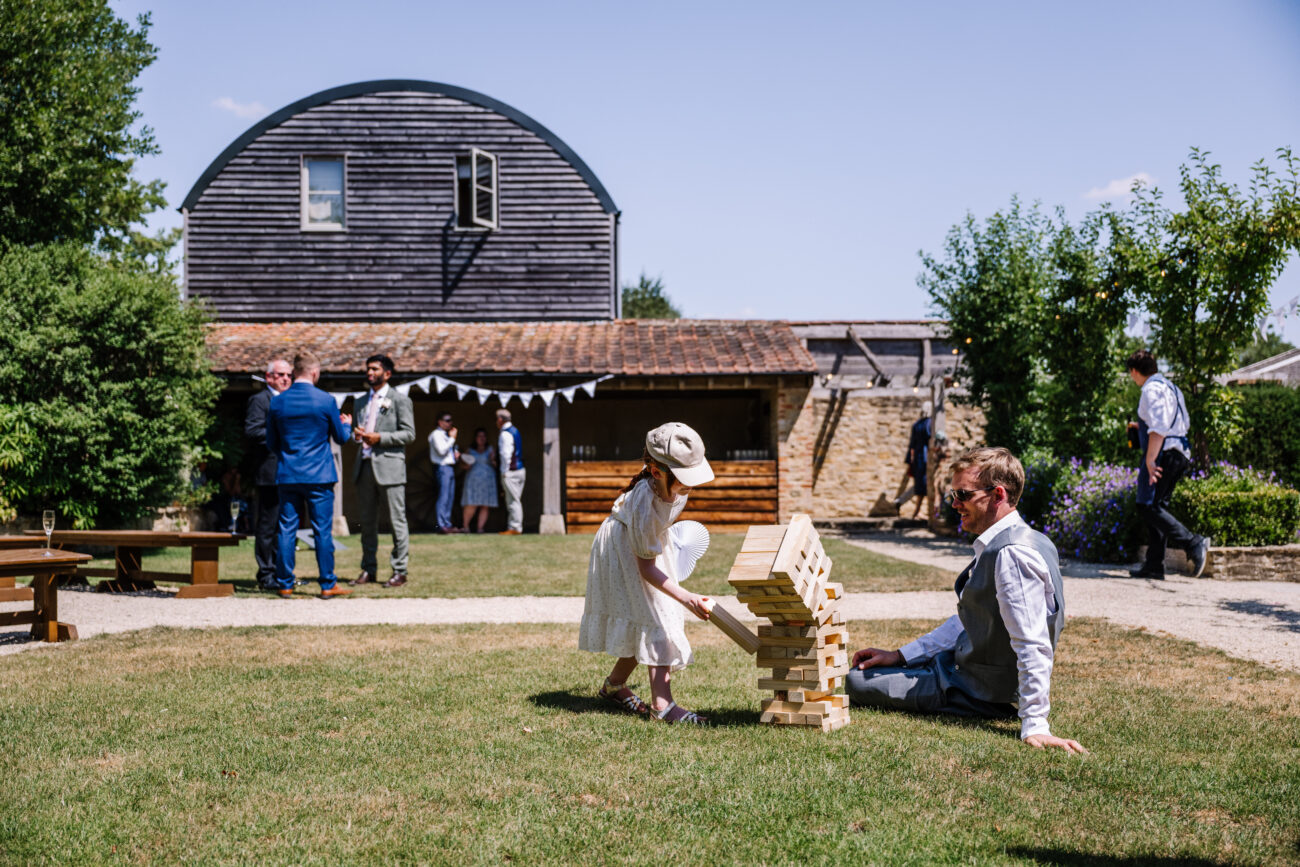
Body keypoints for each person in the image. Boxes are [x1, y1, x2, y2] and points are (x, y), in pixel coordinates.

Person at [847, 447, 1087, 754]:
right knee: (868, 674)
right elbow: (969, 619)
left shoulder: (1011, 554)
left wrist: (1036, 724)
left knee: (857, 682)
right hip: (964, 670)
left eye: (963, 494)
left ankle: (972, 704)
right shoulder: (1025, 540)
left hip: (977, 689)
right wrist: (900, 656)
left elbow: (1032, 642)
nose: (955, 504)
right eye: (953, 495)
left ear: (997, 495)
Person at [578, 422, 716, 724]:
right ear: (657, 473)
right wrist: (687, 597)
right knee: (659, 618)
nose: (689, 487)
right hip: (624, 551)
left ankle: (614, 687)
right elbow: (645, 567)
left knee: (644, 617)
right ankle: (662, 706)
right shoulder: (644, 501)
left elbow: (660, 527)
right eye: (684, 480)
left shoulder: (673, 486)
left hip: (643, 545)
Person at [266, 350, 353, 599]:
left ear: (294, 373)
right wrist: (346, 424)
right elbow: (340, 438)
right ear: (314, 373)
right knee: (322, 531)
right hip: (320, 476)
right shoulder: (326, 400)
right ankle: (327, 584)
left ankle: (284, 583)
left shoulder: (278, 401)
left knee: (286, 529)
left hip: (289, 474)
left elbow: (271, 442)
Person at [1125, 350, 1211, 579]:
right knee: (1157, 506)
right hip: (1179, 451)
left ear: (1135, 371)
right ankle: (1154, 565)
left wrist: (1151, 460)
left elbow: (1160, 427)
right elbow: (1182, 422)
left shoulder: (1150, 390)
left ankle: (1193, 542)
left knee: (1147, 505)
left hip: (1164, 453)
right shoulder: (1171, 387)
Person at [350, 354, 416, 587]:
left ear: (387, 374)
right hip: (365, 466)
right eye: (368, 368)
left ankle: (400, 570)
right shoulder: (360, 402)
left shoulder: (399, 400)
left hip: (390, 467)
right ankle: (368, 569)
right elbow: (359, 434)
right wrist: (355, 434)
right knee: (367, 523)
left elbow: (409, 434)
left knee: (397, 521)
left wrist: (381, 437)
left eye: (375, 369)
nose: (370, 372)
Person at [244, 357, 293, 591]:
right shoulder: (260, 400)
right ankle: (266, 575)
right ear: (269, 377)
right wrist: (280, 433)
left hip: (292, 472)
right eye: (281, 375)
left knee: (285, 526)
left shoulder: (292, 401)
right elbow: (252, 430)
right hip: (269, 472)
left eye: (289, 375)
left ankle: (283, 572)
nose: (285, 379)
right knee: (267, 527)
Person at [427, 411, 461, 534]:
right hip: (442, 467)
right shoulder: (436, 434)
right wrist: (452, 438)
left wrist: (455, 455)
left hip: (450, 467)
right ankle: (441, 525)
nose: (449, 423)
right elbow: (441, 450)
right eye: (447, 420)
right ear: (439, 422)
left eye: (450, 420)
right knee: (444, 496)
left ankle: (447, 523)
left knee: (450, 497)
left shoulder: (445, 435)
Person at [459, 427, 498, 533]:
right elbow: (463, 465)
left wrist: (493, 460)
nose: (482, 438)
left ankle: (480, 528)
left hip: (487, 480)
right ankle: (466, 526)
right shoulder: (470, 450)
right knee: (471, 503)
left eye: (484, 436)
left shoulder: (490, 449)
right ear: (475, 438)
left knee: (485, 505)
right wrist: (467, 464)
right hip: (473, 481)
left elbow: (496, 464)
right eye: (479, 436)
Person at [496, 408, 526, 535]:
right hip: (519, 470)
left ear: (500, 420)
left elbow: (505, 454)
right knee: (515, 499)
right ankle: (514, 526)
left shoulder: (505, 434)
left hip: (511, 471)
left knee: (512, 500)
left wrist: (504, 471)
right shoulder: (515, 431)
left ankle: (515, 527)